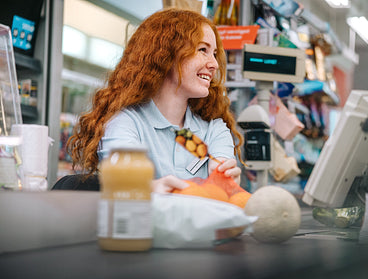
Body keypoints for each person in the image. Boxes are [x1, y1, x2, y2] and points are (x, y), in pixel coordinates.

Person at [67, 8, 243, 193]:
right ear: (166, 55)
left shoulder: (213, 130)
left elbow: (222, 173)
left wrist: (224, 177)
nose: (214, 64)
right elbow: (123, 183)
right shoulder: (126, 123)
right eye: (202, 50)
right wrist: (149, 190)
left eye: (214, 53)